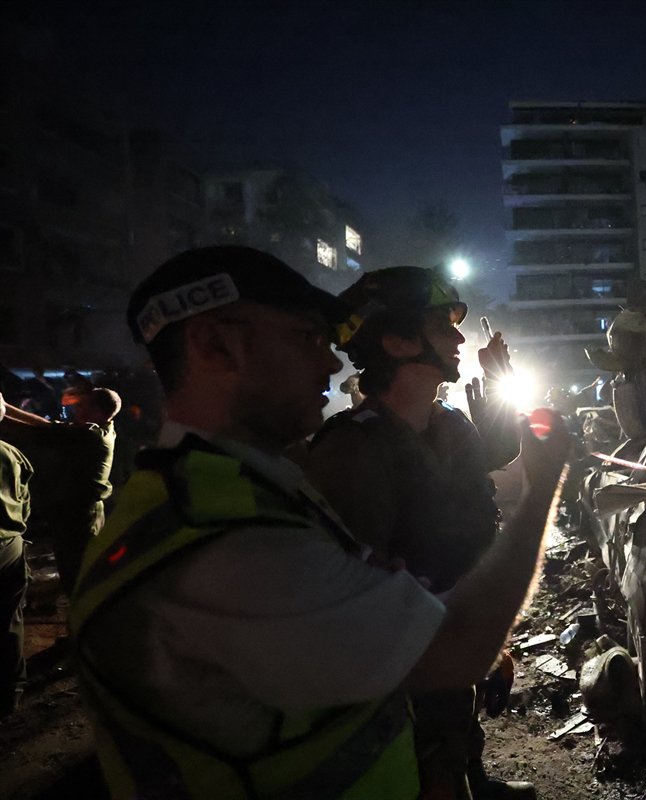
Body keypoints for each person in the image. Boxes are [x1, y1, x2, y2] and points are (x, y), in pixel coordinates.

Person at [70, 246, 570, 800]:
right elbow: (450, 647)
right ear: (214, 344)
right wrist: (544, 485)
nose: (333, 365)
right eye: (306, 339)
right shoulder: (230, 540)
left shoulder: (256, 487)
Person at [303, 266, 527, 800]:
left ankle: (472, 775)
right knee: (428, 763)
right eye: (439, 325)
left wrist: (499, 384)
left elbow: (493, 456)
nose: (457, 338)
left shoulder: (449, 422)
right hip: (406, 661)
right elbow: (360, 590)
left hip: (453, 628)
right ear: (397, 341)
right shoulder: (353, 449)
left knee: (458, 733)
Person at [1, 387, 120, 592]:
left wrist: (3, 411)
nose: (78, 408)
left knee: (76, 575)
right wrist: (4, 408)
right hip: (83, 513)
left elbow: (37, 432)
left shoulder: (90, 437)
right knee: (82, 572)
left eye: (85, 405)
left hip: (79, 517)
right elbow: (47, 426)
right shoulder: (104, 428)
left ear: (98, 412)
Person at [0, 393, 33, 716]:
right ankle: (12, 691)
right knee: (9, 620)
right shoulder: (14, 454)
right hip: (11, 544)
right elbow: (25, 502)